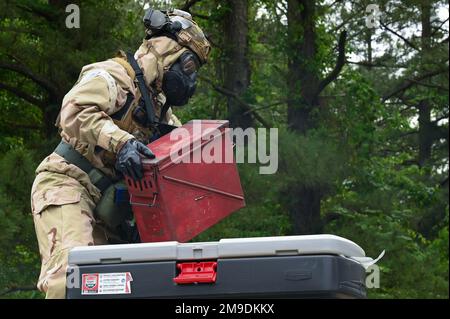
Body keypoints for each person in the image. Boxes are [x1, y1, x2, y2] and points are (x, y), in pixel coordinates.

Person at [30, 9, 210, 299]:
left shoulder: (159, 108)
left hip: (111, 210)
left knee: (122, 288)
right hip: (68, 185)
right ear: (168, 51)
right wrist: (122, 143)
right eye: (189, 66)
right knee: (71, 280)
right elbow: (74, 110)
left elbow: (175, 159)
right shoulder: (114, 76)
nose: (191, 80)